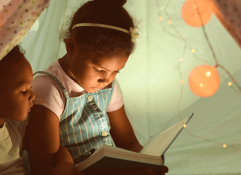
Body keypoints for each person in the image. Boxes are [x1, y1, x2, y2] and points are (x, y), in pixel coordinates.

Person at [26, 0, 169, 175]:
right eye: (99, 70)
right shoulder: (49, 91)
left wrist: (148, 164)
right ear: (72, 46)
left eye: (116, 71)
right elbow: (44, 169)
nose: (107, 80)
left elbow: (129, 143)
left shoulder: (108, 84)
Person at [0, 45, 72, 175]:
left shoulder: (15, 125)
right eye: (24, 91)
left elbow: (46, 149)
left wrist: (66, 162)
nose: (33, 95)